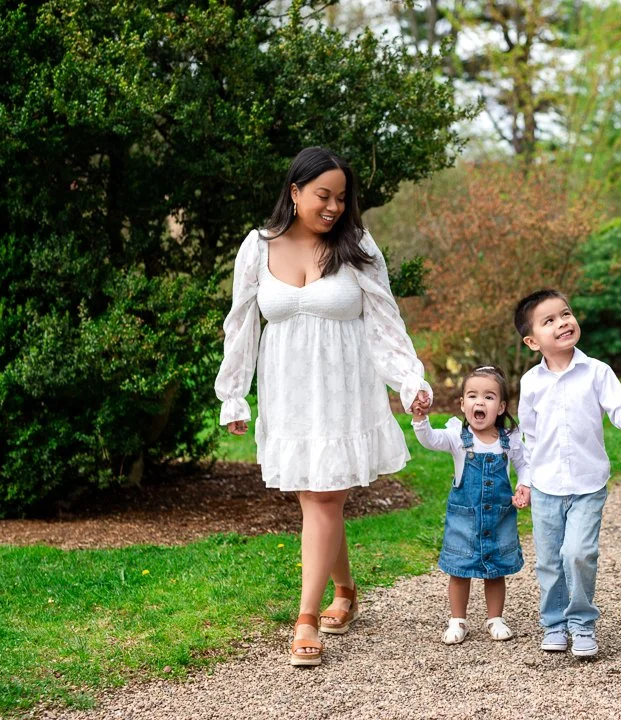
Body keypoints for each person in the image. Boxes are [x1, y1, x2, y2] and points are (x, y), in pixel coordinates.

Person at [214, 146, 432, 667]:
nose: (334, 207)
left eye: (341, 197)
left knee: (324, 498)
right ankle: (346, 590)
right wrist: (233, 392)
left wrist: (408, 378)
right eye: (322, 196)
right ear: (294, 192)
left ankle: (306, 618)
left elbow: (384, 319)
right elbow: (241, 322)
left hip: (342, 390)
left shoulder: (355, 244)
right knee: (313, 498)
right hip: (288, 392)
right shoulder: (258, 247)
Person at [513, 289, 621, 658]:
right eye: (549, 321)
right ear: (532, 341)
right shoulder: (531, 383)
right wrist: (525, 480)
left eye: (566, 314)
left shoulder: (597, 372)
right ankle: (554, 623)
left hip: (588, 484)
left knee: (579, 553)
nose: (562, 323)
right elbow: (529, 436)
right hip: (545, 487)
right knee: (549, 561)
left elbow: (620, 413)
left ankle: (582, 622)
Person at [410, 365, 529, 645]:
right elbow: (430, 440)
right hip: (464, 519)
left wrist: (525, 486)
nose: (480, 402)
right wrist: (420, 420)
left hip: (499, 517)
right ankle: (457, 620)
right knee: (460, 570)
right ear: (463, 404)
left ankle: (495, 618)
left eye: (489, 397)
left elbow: (525, 465)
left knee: (496, 570)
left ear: (500, 407)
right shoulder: (457, 438)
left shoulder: (508, 440)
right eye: (473, 396)